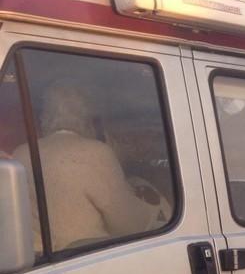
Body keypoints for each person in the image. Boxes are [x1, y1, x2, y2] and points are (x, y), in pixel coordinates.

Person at [12, 81, 154, 252]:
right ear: (88, 119)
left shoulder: (20, 153)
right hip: (84, 262)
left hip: (36, 265)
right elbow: (130, 225)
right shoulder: (96, 152)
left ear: (45, 117)